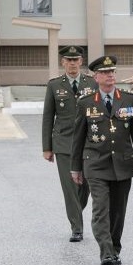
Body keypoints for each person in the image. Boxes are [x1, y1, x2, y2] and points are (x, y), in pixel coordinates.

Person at [69, 55, 133, 265]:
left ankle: (114, 248)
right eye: (105, 72)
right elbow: (78, 137)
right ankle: (105, 252)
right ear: (96, 76)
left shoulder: (130, 100)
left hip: (123, 163)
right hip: (95, 163)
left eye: (112, 72)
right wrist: (75, 167)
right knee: (100, 209)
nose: (110, 75)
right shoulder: (86, 102)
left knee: (118, 211)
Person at [42, 45, 93, 242]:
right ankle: (77, 227)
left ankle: (75, 211)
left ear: (81, 61)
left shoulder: (91, 83)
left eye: (76, 60)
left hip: (89, 142)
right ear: (63, 62)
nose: (72, 63)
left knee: (86, 184)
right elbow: (48, 117)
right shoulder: (54, 85)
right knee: (70, 186)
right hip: (64, 142)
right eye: (68, 60)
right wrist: (47, 147)